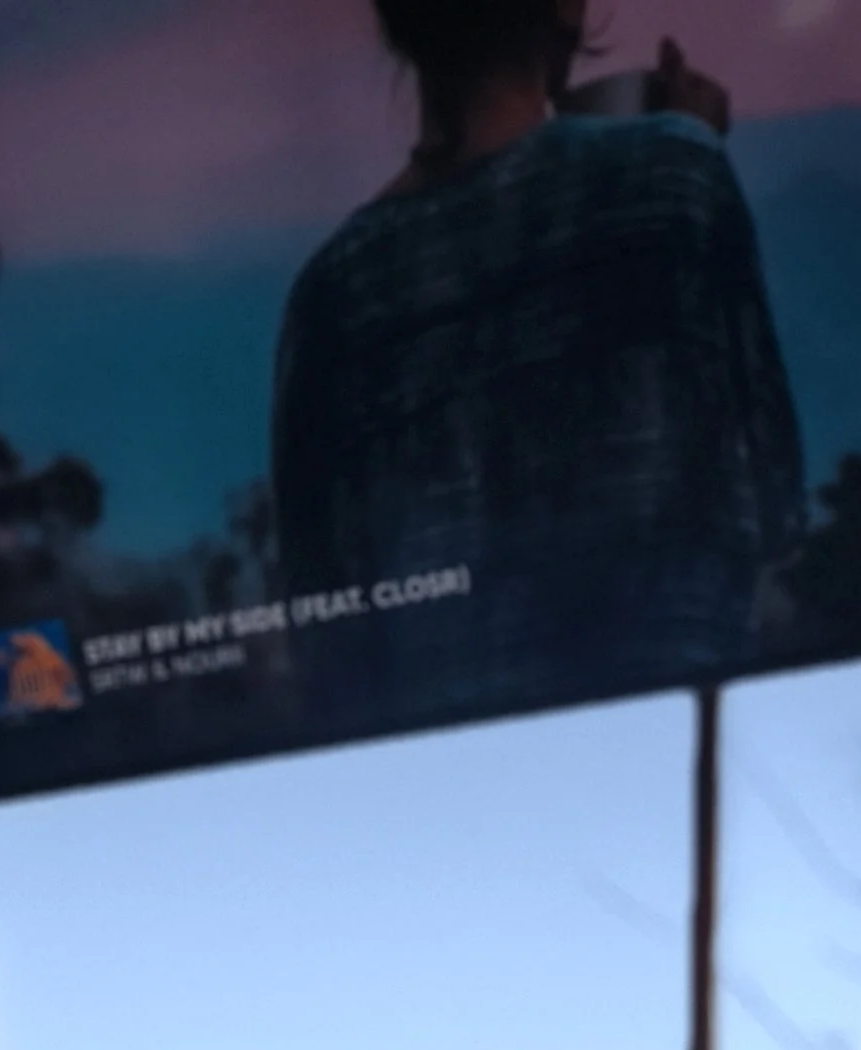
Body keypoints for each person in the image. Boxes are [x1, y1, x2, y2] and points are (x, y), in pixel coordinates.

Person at [271, 0, 804, 720]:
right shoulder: (675, 182)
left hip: (449, 791)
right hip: (666, 738)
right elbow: (774, 494)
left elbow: (327, 648)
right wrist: (679, 154)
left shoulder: (332, 296)